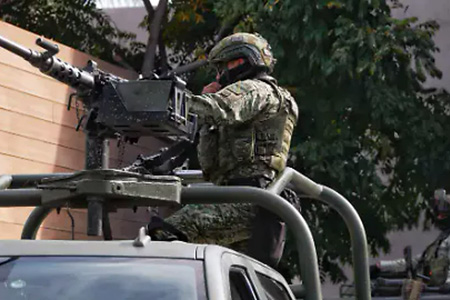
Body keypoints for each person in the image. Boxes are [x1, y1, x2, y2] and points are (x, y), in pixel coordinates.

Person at [149, 32, 300, 268]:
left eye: (224, 67)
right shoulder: (256, 99)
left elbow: (221, 108)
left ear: (243, 61)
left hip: (249, 199)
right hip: (238, 197)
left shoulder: (256, 90)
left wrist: (163, 100)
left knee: (166, 233)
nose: (220, 76)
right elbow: (210, 164)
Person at [370, 189, 450, 290]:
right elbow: (415, 262)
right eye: (439, 213)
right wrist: (380, 266)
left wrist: (448, 284)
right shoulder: (439, 241)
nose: (439, 217)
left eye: (443, 214)